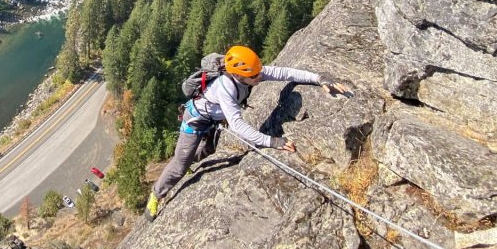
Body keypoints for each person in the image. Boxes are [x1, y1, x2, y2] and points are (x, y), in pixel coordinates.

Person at [145, 45, 352, 220]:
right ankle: (156, 194)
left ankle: (192, 160)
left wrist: (319, 78)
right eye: (254, 75)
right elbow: (237, 125)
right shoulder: (227, 86)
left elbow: (286, 73)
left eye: (258, 72)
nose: (259, 76)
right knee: (180, 165)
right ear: (239, 75)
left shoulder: (250, 73)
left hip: (214, 119)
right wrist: (272, 142)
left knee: (209, 149)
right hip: (196, 120)